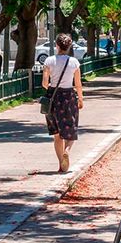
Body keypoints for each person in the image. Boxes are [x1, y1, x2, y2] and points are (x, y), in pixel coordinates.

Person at [41, 33, 84, 172]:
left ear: (57, 46)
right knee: (71, 129)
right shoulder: (74, 62)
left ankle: (61, 164)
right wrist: (81, 99)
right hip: (69, 96)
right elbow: (78, 84)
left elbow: (44, 83)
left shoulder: (49, 61)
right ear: (69, 46)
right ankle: (67, 151)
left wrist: (52, 89)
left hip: (53, 97)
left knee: (57, 133)